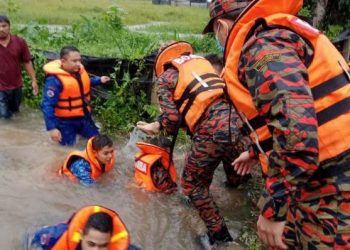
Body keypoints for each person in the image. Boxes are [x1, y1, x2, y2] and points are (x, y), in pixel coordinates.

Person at [203, 0, 350, 248]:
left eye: (216, 32)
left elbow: (298, 136)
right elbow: (298, 113)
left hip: (332, 187)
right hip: (318, 177)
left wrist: (274, 207)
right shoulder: (276, 35)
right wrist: (254, 152)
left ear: (221, 25)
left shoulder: (262, 46)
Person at [136, 41, 253, 246]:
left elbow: (172, 120)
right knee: (237, 167)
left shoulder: (165, 78)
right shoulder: (203, 62)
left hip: (210, 130)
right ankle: (241, 200)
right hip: (238, 120)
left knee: (192, 186)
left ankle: (220, 236)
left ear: (162, 62)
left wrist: (157, 125)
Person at [42, 46, 110, 146]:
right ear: (63, 61)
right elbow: (47, 105)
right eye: (74, 61)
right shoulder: (54, 80)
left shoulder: (78, 72)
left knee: (98, 143)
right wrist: (52, 128)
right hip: (65, 122)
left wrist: (98, 80)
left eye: (79, 60)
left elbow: (82, 84)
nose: (78, 64)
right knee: (66, 150)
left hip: (84, 117)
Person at [30, 205, 140, 250]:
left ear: (111, 239)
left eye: (103, 246)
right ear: (81, 235)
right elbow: (29, 239)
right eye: (91, 244)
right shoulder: (54, 237)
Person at [0, 15, 38, 119]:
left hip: (16, 86)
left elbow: (27, 61)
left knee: (15, 113)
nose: (1, 29)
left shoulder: (19, 42)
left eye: (4, 26)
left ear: (9, 27)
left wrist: (33, 80)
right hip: (0, 88)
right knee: (4, 116)